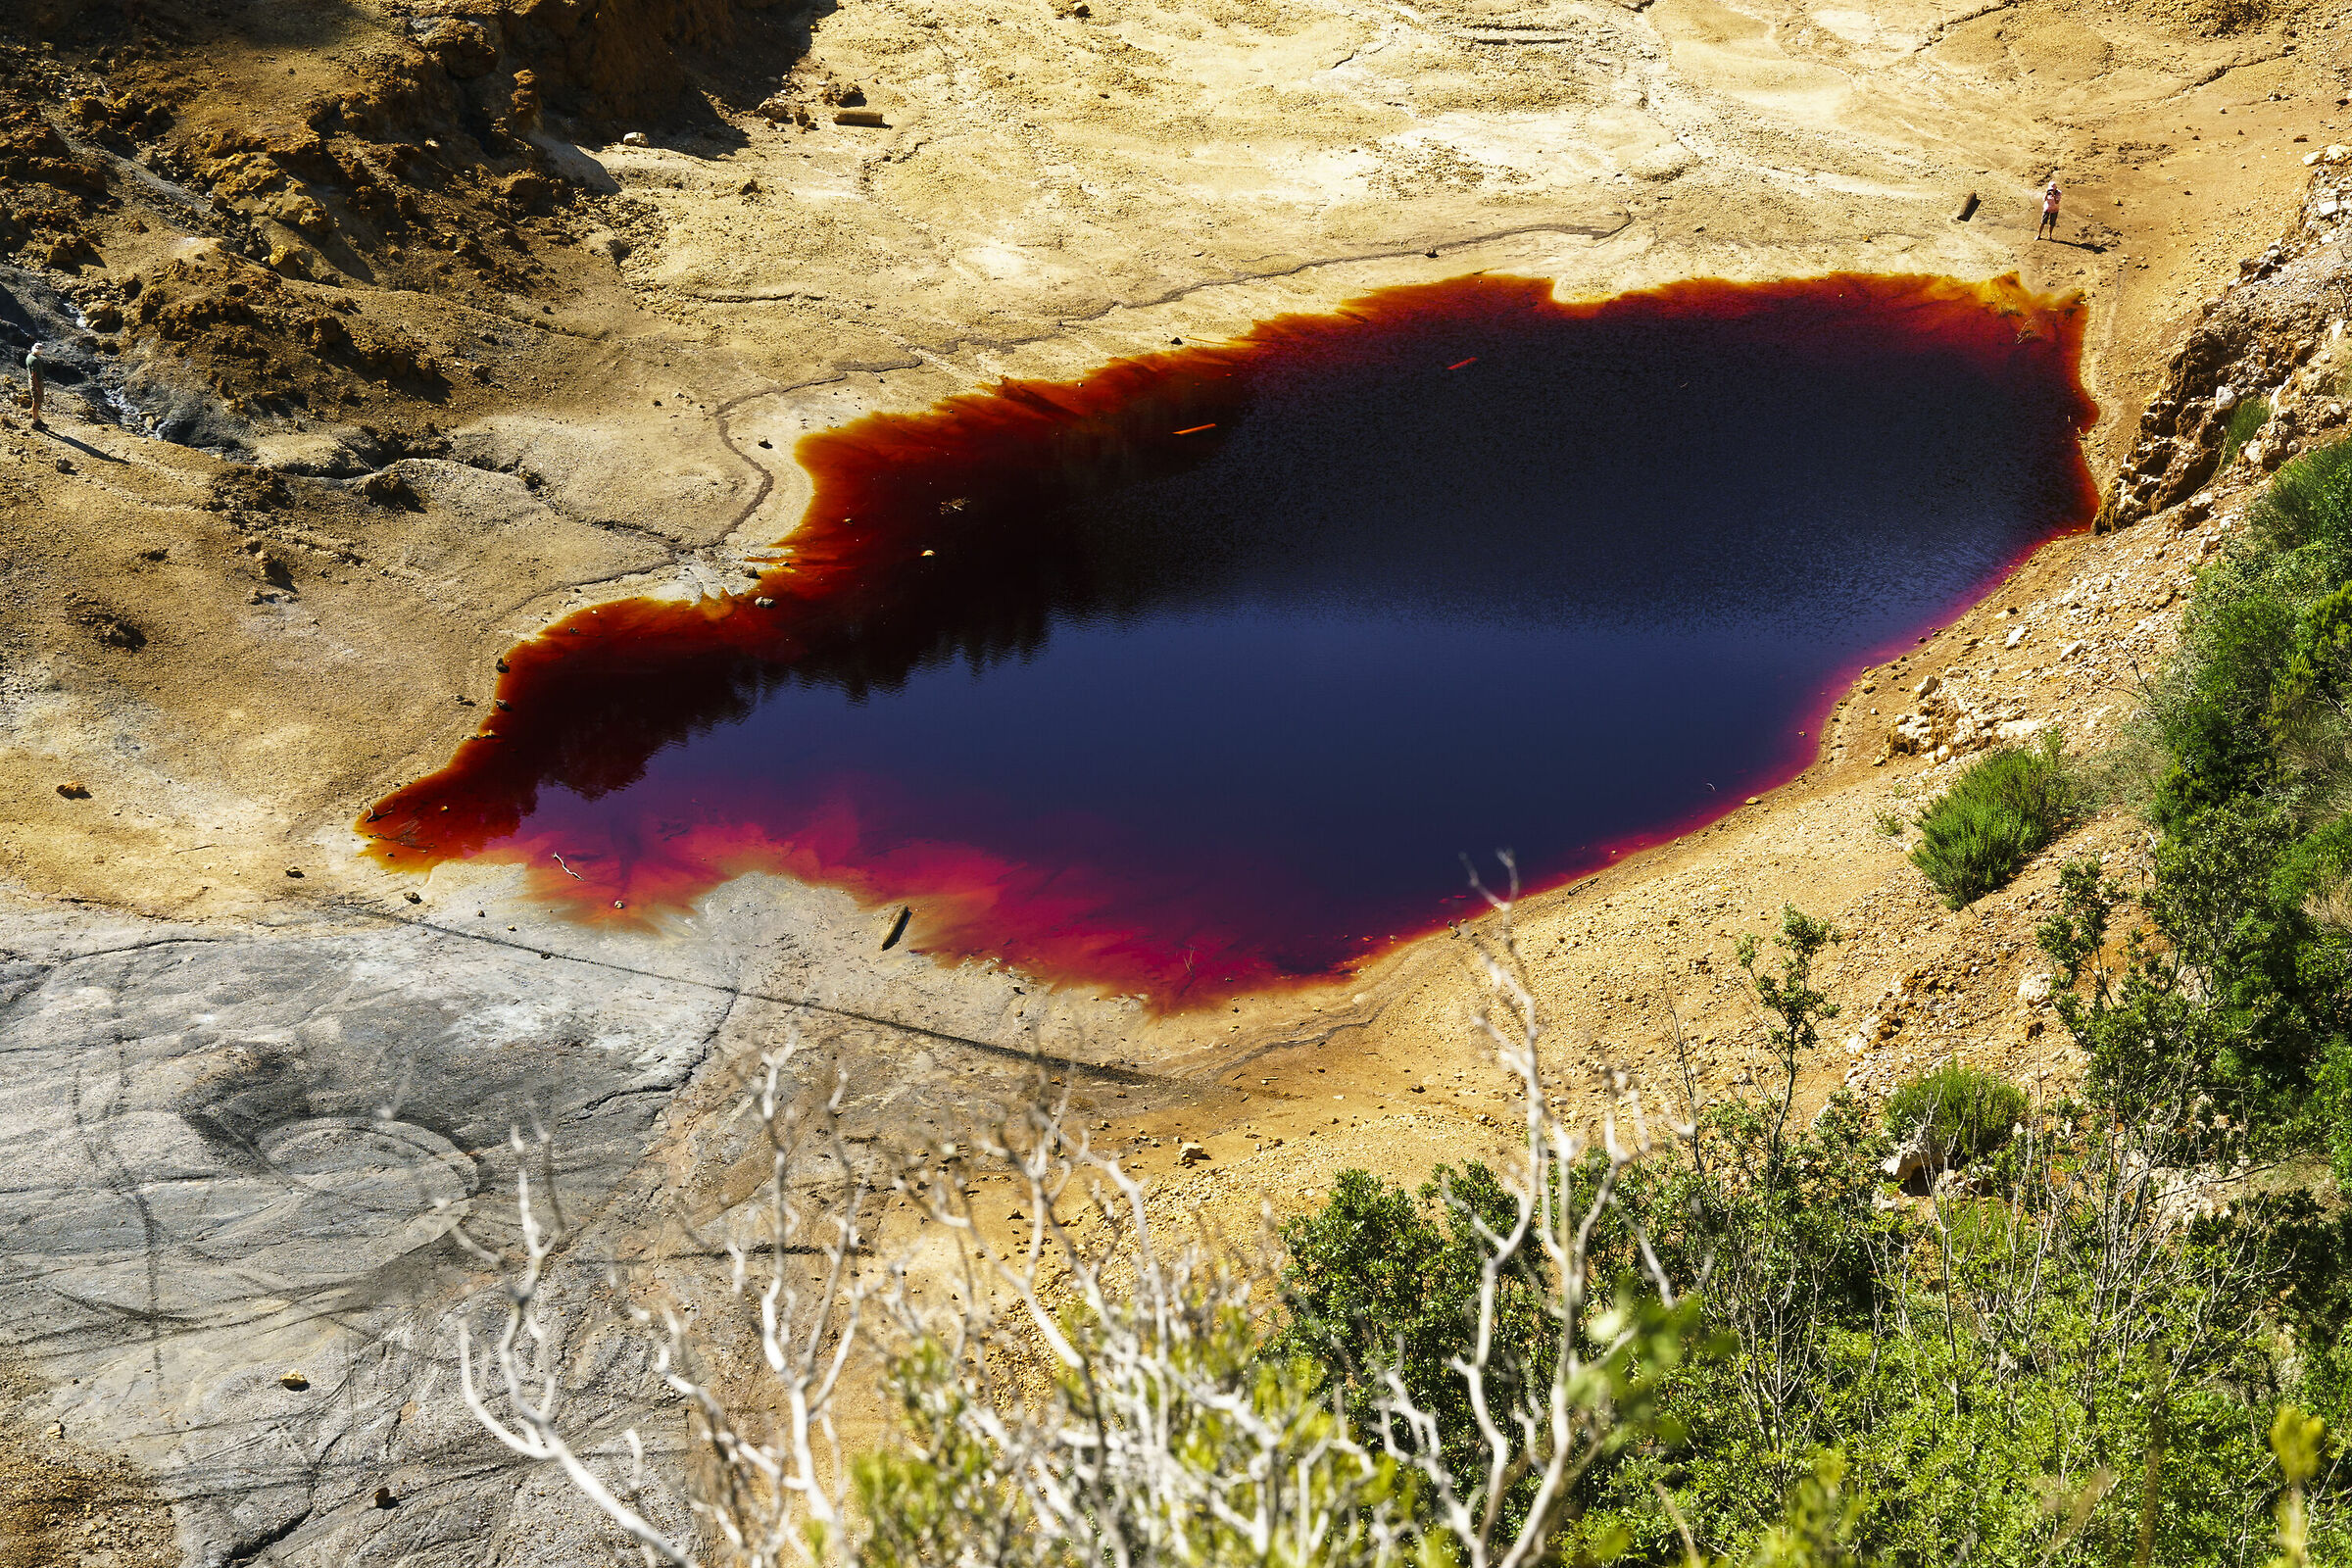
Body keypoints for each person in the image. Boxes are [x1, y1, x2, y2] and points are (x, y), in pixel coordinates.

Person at [24, 341, 44, 427]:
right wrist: (38, 387)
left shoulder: (30, 356)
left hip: (32, 380)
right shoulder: (35, 360)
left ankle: (36, 418)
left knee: (36, 400)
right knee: (37, 401)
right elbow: (34, 375)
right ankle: (35, 421)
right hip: (36, 382)